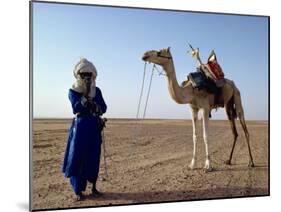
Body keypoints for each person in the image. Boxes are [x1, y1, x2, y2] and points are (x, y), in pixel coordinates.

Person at [62, 58, 107, 201]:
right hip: (80, 127)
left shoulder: (97, 91)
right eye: (84, 74)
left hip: (94, 126)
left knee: (93, 156)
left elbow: (103, 108)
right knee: (77, 156)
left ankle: (93, 187)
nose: (87, 77)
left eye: (89, 74)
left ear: (93, 75)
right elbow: (76, 107)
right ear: (79, 75)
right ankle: (77, 191)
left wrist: (95, 106)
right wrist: (86, 97)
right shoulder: (73, 91)